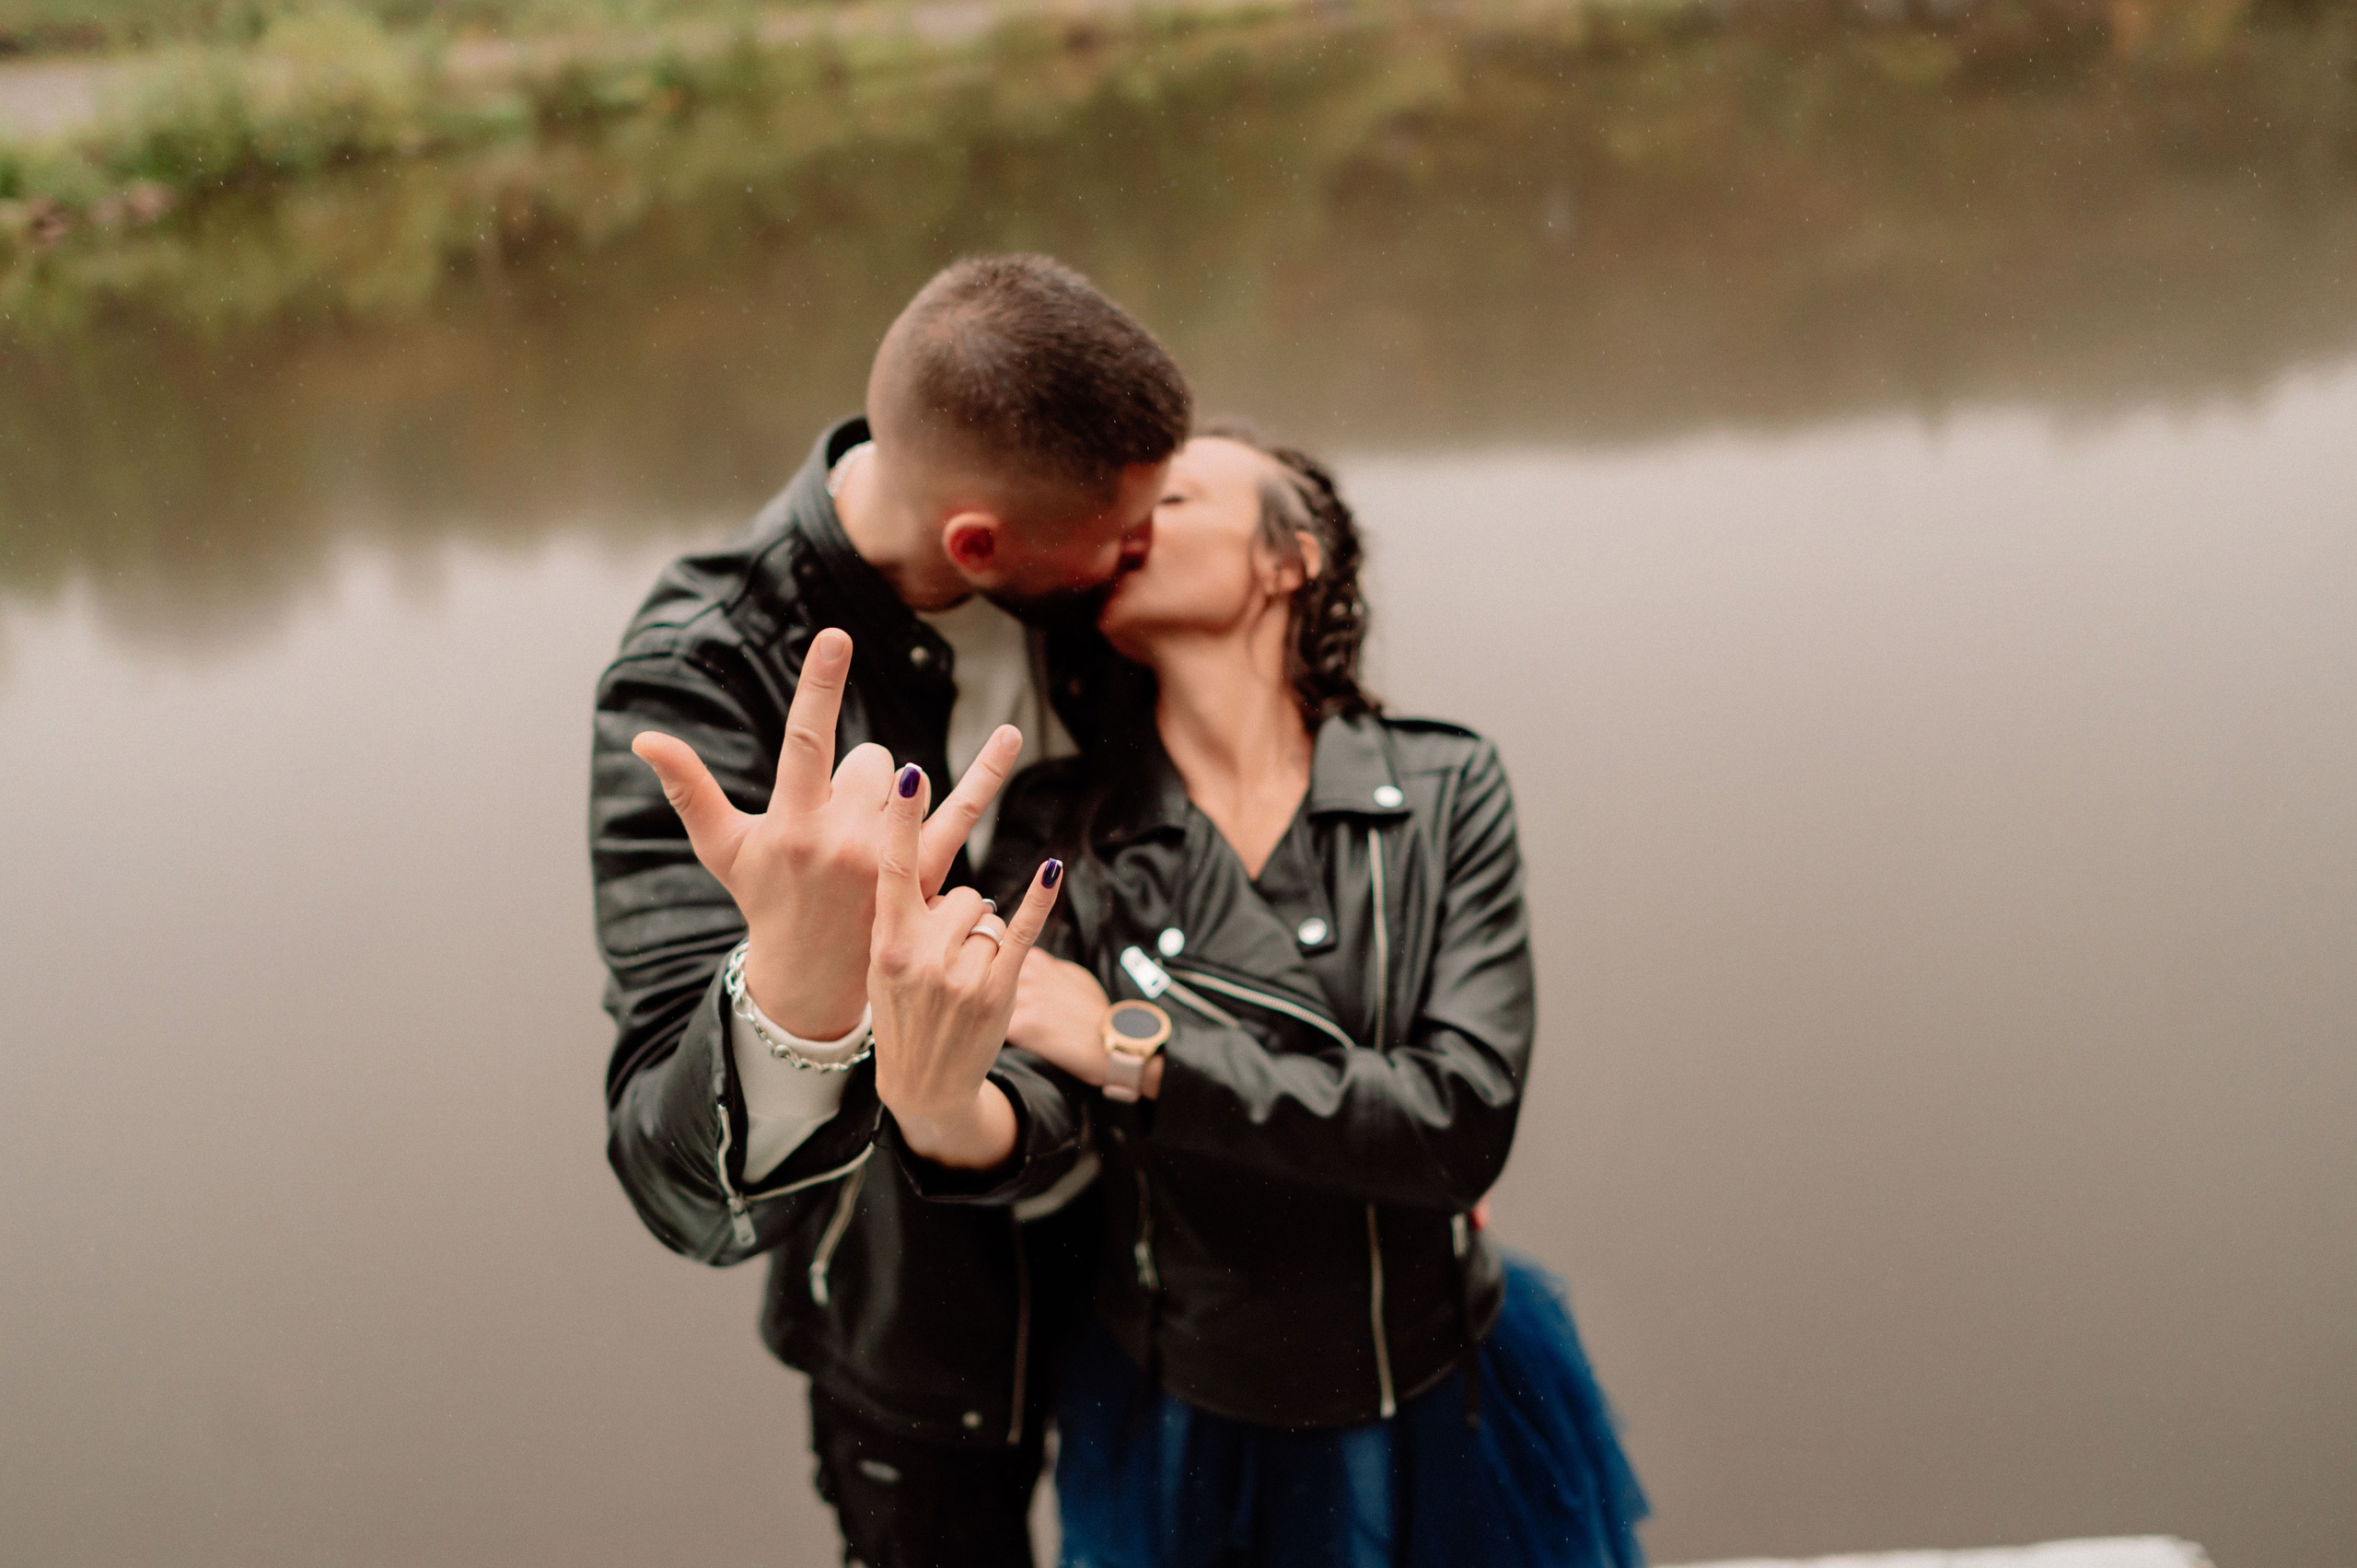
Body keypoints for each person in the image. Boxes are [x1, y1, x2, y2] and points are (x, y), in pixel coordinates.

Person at [864, 425, 1650, 1566]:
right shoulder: (1061, 823)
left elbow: (1455, 1125)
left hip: (1438, 1394)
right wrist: (934, 1104)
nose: (1130, 527)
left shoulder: (1444, 787)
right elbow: (1030, 1102)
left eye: (1171, 501)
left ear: (1291, 558)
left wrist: (1135, 1047)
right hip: (1182, 1419)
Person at [590, 252, 1189, 1566]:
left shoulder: (1104, 578)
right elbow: (674, 1185)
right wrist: (796, 995)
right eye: (1127, 532)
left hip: (1172, 1280)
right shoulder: (703, 676)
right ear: (977, 544)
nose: (1156, 547)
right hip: (918, 1343)